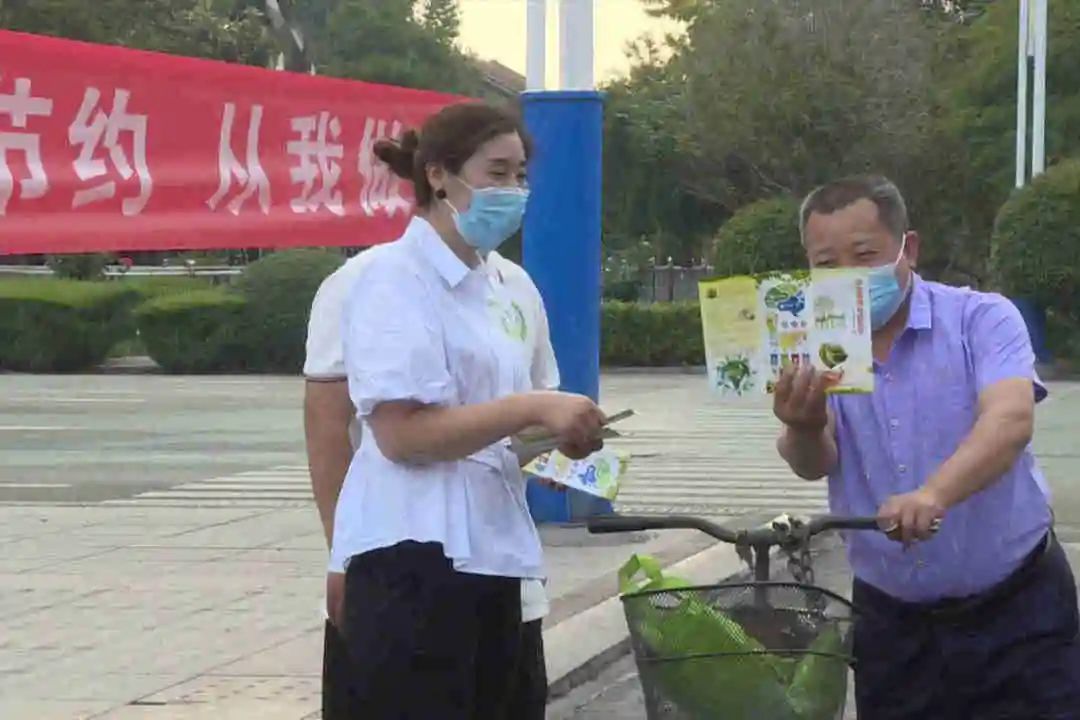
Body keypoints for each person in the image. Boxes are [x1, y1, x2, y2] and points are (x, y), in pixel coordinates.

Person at [327, 101, 604, 719]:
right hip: (411, 562)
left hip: (495, 559)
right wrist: (532, 406)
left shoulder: (511, 286)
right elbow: (402, 435)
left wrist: (560, 440)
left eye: (521, 175)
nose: (514, 191)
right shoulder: (391, 279)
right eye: (496, 173)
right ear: (438, 175)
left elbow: (515, 428)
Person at [773, 174, 1080, 719]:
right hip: (892, 626)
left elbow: (1010, 419)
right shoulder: (811, 343)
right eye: (826, 263)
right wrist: (802, 425)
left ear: (907, 249)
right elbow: (813, 463)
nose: (848, 277)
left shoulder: (981, 318)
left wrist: (934, 494)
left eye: (864, 255)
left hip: (1017, 610)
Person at [304, 242, 561, 718]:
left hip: (503, 573)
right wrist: (341, 554)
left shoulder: (514, 285)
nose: (510, 200)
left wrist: (556, 452)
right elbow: (330, 426)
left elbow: (531, 417)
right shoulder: (368, 279)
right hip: (400, 575)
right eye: (496, 175)